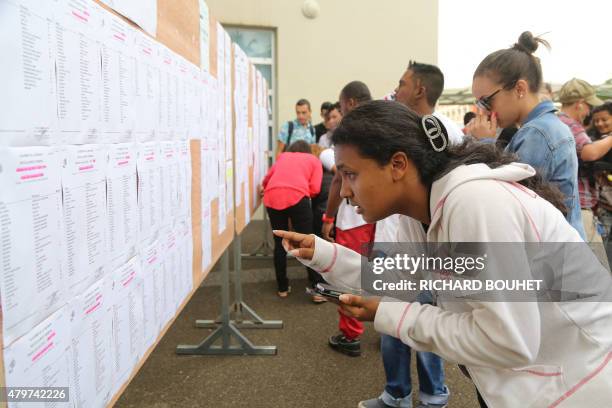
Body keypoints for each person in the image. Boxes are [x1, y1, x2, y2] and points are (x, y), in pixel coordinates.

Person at [275, 100, 612, 408]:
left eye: (351, 174)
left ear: (397, 164)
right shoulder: (421, 212)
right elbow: (400, 282)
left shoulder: (473, 203)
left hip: (582, 384)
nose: (344, 191)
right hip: (533, 383)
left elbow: (509, 341)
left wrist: (391, 315)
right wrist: (325, 256)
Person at [356, 61, 458, 408]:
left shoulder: (447, 133)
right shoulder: (394, 129)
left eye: (402, 83)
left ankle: (433, 395)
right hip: (388, 239)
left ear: (420, 89)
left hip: (426, 250)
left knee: (426, 321)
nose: (396, 88)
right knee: (390, 324)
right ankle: (396, 393)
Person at [468, 31, 586, 239]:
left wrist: (485, 143)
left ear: (520, 88)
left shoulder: (537, 133)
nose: (484, 111)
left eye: (486, 101)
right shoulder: (544, 126)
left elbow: (509, 199)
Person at [322, 81, 376, 357]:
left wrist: (328, 216)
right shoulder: (381, 125)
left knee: (347, 278)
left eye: (341, 106)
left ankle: (350, 335)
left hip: (353, 218)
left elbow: (337, 182)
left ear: (351, 103)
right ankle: (386, 327)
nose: (340, 112)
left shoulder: (350, 133)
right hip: (379, 218)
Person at [261, 140, 322, 297]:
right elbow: (315, 189)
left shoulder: (283, 156)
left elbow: (266, 180)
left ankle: (282, 287)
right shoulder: (314, 160)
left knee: (280, 242)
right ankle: (317, 287)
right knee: (307, 241)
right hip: (298, 197)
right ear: (308, 150)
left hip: (272, 196)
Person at [557, 78, 609, 243]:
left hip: (565, 205)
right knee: (598, 265)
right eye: (588, 106)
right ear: (579, 103)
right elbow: (589, 153)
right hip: (579, 207)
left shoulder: (556, 121)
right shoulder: (570, 124)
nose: (589, 112)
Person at [394, 61, 464, 144]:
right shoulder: (413, 126)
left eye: (402, 84)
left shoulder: (442, 133)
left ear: (419, 92)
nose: (396, 90)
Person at [590, 102, 612, 242]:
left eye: (604, 119)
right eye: (596, 120)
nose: (599, 123)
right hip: (603, 206)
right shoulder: (592, 140)